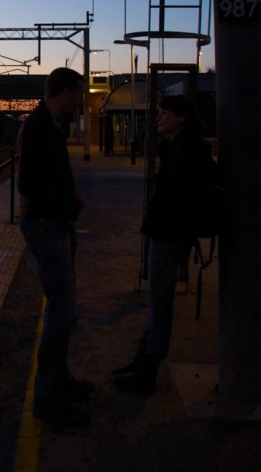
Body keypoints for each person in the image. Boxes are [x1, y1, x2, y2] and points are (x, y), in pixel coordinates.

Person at [113, 94, 216, 395]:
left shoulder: (187, 150)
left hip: (170, 235)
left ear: (181, 118)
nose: (157, 117)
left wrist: (169, 227)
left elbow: (181, 197)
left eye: (163, 113)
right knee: (157, 302)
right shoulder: (180, 146)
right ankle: (142, 362)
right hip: (168, 233)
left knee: (160, 304)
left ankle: (147, 372)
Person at [17, 67, 94, 426]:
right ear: (64, 92)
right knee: (62, 312)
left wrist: (71, 197)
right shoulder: (37, 128)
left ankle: (59, 381)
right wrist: (53, 210)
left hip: (59, 223)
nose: (81, 100)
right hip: (49, 226)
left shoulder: (50, 125)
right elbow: (29, 182)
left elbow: (56, 172)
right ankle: (47, 398)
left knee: (65, 310)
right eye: (79, 94)